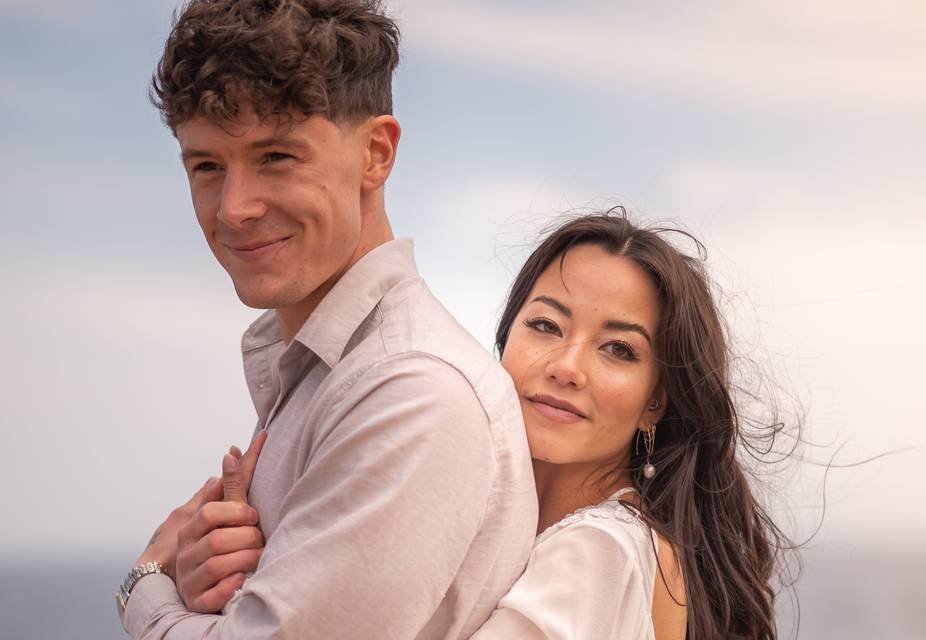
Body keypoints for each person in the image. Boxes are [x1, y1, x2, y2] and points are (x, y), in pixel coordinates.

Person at [116, 1, 538, 638]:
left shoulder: (412, 391)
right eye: (206, 166)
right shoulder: (323, 367)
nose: (235, 209)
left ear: (375, 152)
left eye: (276, 157)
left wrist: (147, 584)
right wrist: (215, 594)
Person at [212, 211, 792, 639]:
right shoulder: (522, 535)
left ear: (655, 402)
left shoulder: (600, 550)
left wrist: (158, 592)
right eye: (545, 326)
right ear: (502, 343)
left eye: (618, 349)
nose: (566, 367)